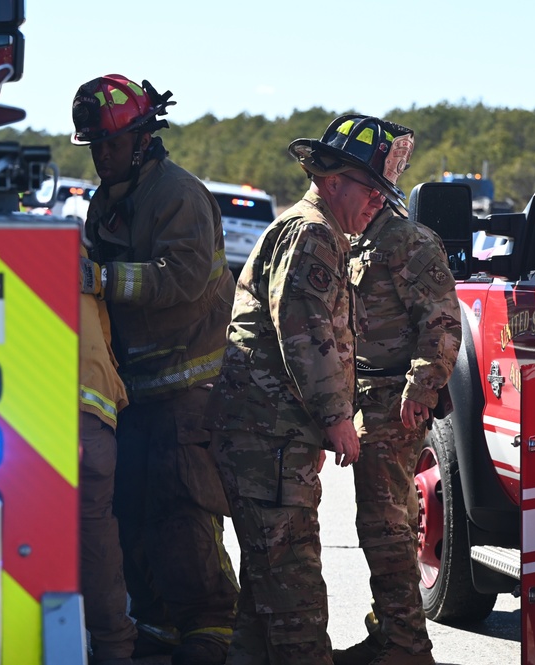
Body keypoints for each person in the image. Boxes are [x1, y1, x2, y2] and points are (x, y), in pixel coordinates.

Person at [203, 113, 413, 664]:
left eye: (383, 196)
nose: (377, 205)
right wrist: (335, 418)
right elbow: (307, 331)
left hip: (270, 437)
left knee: (264, 600)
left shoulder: (314, 230)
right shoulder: (313, 232)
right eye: (371, 191)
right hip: (267, 437)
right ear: (333, 179)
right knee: (296, 606)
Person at [74, 73, 239, 665]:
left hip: (187, 391)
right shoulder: (108, 202)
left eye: (111, 144)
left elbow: (185, 277)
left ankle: (211, 639)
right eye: (93, 145)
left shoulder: (178, 194)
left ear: (144, 139)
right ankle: (161, 637)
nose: (101, 156)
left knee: (183, 521)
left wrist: (100, 278)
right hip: (136, 397)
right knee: (135, 521)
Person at [333, 197, 461, 664]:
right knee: (388, 525)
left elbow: (442, 321)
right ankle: (390, 633)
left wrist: (422, 388)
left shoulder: (409, 239)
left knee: (385, 527)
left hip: (396, 402)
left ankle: (405, 646)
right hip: (369, 394)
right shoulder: (359, 237)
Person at [78, 241, 136, 665]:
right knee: (94, 531)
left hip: (23, 425)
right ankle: (114, 646)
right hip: (92, 415)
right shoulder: (73, 256)